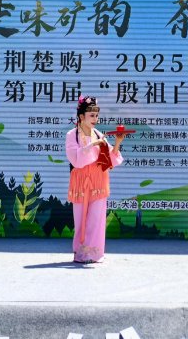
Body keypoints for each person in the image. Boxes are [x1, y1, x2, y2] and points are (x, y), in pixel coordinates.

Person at [66, 95, 126, 264]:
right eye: (91, 115)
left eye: (97, 115)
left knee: (96, 219)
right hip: (81, 181)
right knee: (81, 220)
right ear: (81, 116)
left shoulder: (98, 134)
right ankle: (81, 254)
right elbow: (75, 159)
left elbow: (109, 159)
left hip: (98, 179)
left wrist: (117, 142)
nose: (95, 119)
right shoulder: (72, 135)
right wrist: (93, 145)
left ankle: (94, 254)